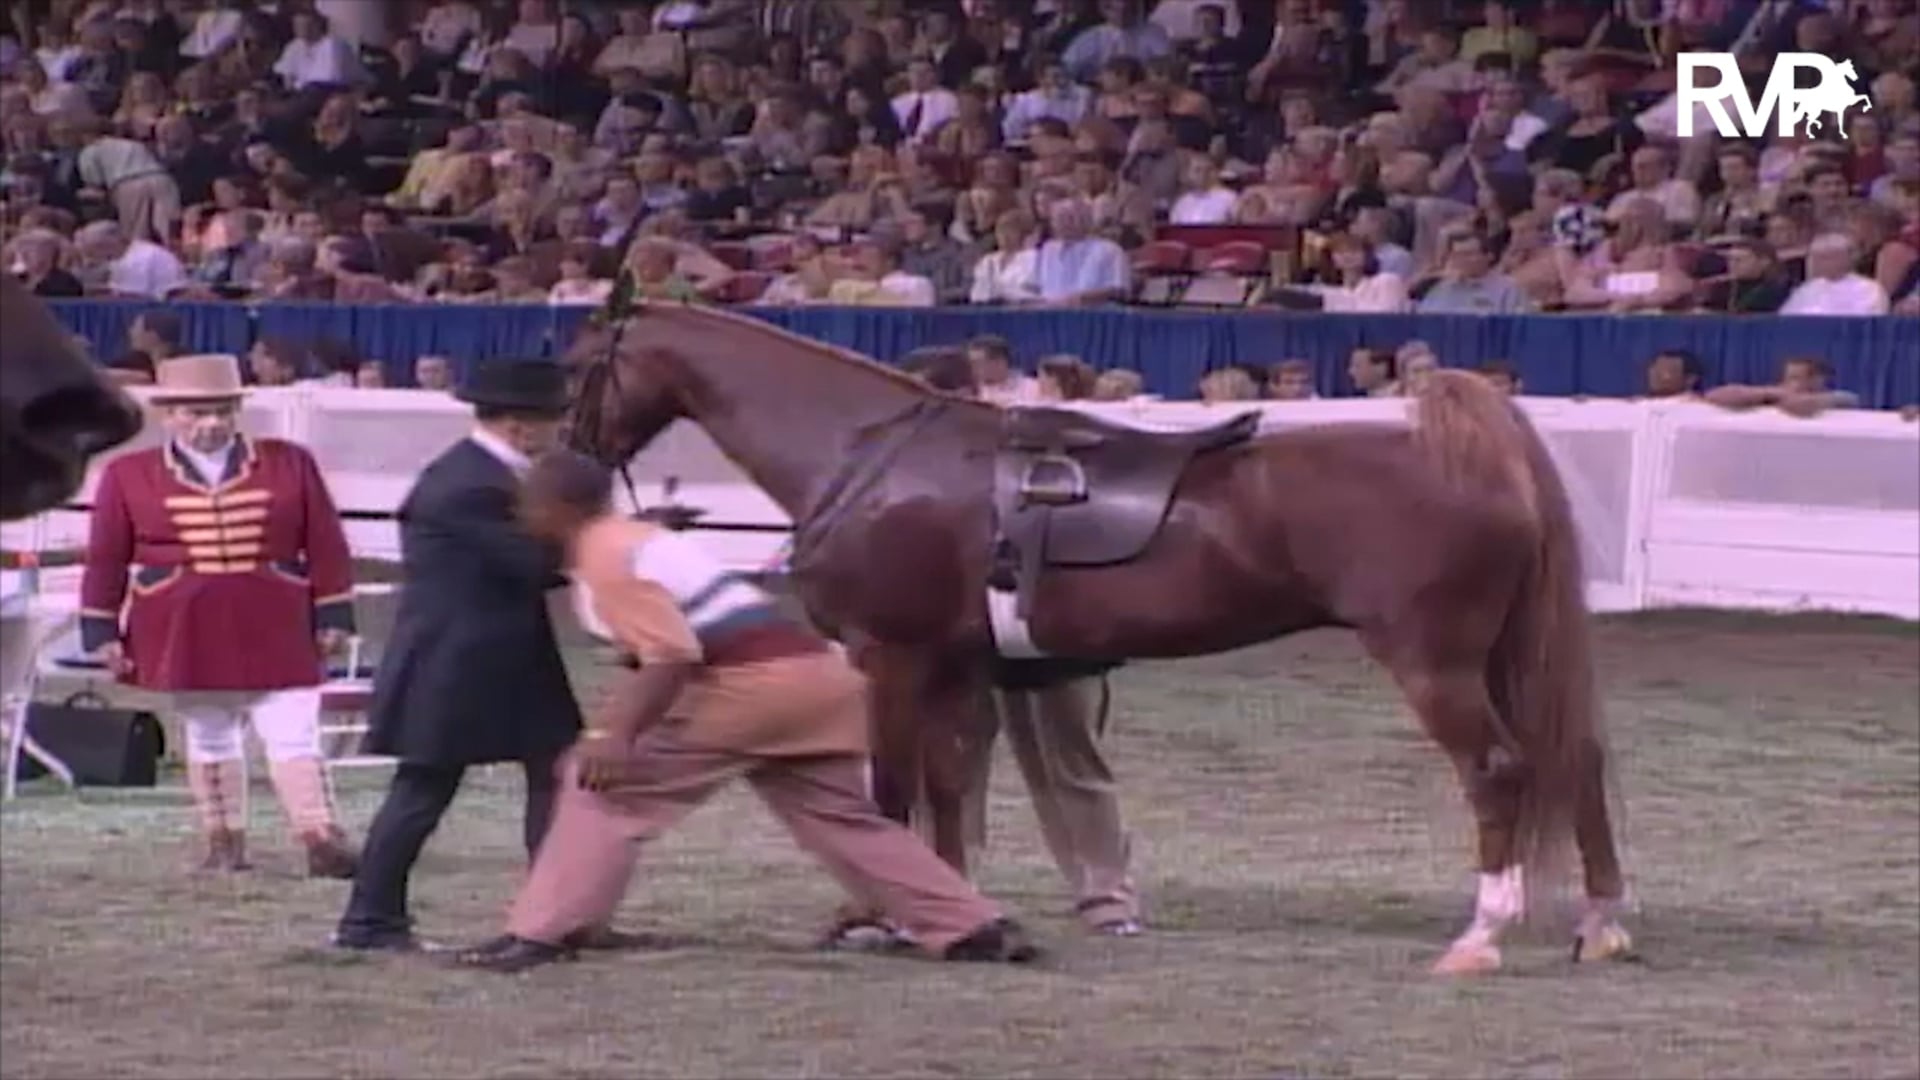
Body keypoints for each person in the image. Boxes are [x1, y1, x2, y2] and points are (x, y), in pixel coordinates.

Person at [456, 449, 1040, 973]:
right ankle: (972, 925)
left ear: (559, 506)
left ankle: (544, 931)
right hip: (821, 678)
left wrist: (615, 735)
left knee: (599, 787)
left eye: (528, 502)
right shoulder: (637, 537)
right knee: (843, 819)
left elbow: (668, 655)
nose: (521, 515)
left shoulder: (602, 556)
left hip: (753, 688)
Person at [333, 360, 583, 951]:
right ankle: (369, 921)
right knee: (423, 788)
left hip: (499, 655)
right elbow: (533, 564)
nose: (560, 433)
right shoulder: (470, 484)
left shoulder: (491, 474)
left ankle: (555, 914)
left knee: (551, 775)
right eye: (553, 421)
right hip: (458, 661)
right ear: (521, 427)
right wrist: (611, 538)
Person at [78, 354, 358, 876]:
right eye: (195, 412)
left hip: (275, 613)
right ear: (168, 416)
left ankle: (320, 836)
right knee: (209, 731)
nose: (210, 424)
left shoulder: (290, 462)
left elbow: (326, 543)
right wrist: (101, 628)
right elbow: (107, 557)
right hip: (183, 621)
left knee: (293, 728)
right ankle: (224, 840)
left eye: (222, 412)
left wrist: (334, 614)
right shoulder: (127, 474)